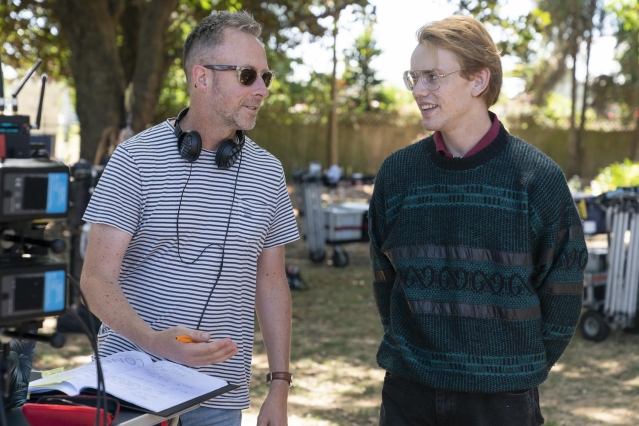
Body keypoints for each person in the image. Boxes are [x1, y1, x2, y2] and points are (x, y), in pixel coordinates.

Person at [81, 10, 299, 426]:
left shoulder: (269, 172)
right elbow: (96, 278)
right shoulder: (135, 159)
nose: (262, 90)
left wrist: (279, 384)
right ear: (202, 78)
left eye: (265, 78)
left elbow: (271, 282)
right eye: (248, 75)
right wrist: (153, 342)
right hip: (131, 385)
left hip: (219, 393)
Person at [368, 15, 587, 426]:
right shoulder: (396, 175)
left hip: (502, 401)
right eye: (413, 77)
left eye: (432, 76)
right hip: (408, 393)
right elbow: (385, 279)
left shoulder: (537, 178)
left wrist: (516, 369)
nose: (418, 90)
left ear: (478, 80)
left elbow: (563, 288)